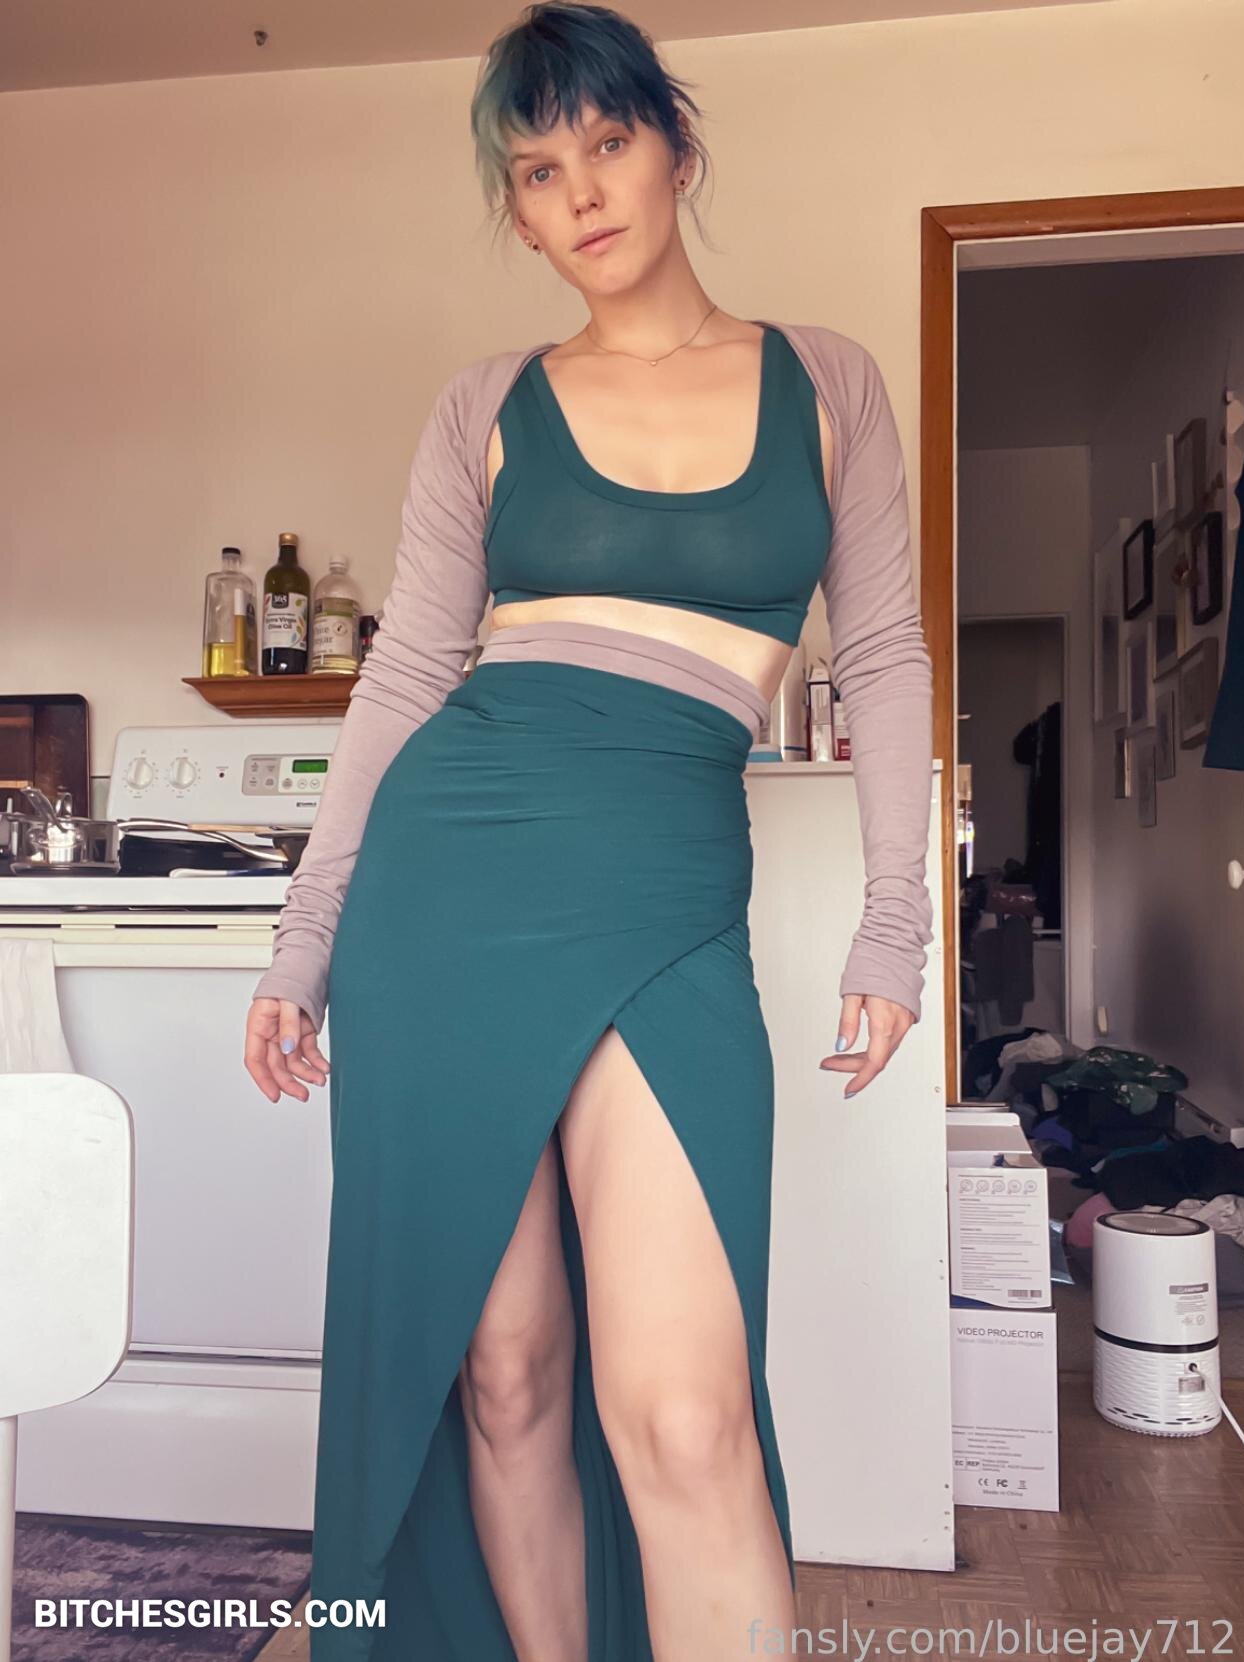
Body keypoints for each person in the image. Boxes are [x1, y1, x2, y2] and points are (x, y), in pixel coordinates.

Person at [243, 4, 934, 1658]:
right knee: (504, 1371)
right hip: (444, 891)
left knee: (685, 1415)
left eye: (606, 146)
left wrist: (895, 917)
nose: (580, 197)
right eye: (538, 173)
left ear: (676, 148)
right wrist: (305, 936)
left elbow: (889, 651)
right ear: (520, 209)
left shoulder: (828, 382)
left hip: (665, 903)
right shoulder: (488, 404)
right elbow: (406, 674)